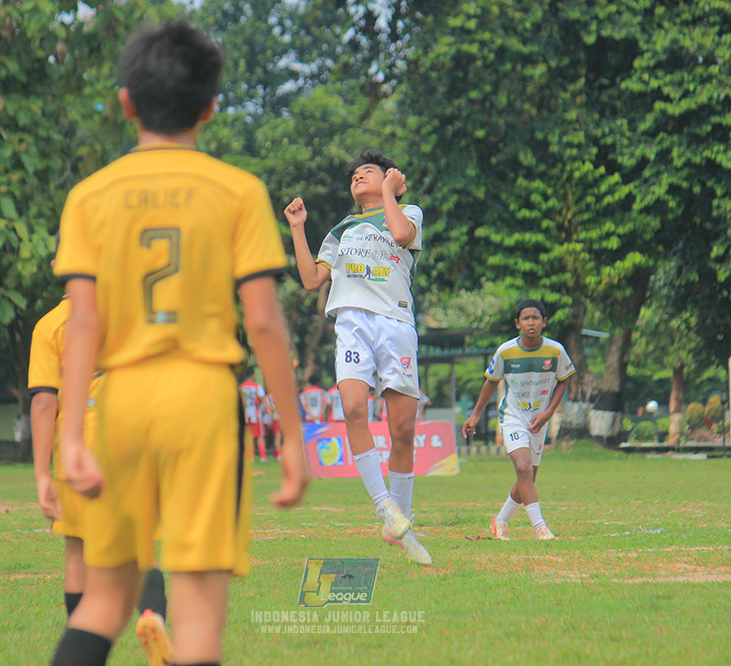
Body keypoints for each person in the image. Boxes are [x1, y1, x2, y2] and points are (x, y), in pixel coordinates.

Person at [50, 18, 308, 666]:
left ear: (126, 103)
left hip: (121, 402)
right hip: (203, 401)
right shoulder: (238, 191)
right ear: (213, 107)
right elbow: (265, 322)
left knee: (103, 601)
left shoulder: (90, 196)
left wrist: (73, 438)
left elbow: (82, 323)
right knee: (194, 622)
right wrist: (295, 436)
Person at [285, 150, 430, 566]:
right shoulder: (343, 229)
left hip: (395, 324)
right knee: (352, 408)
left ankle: (400, 524)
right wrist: (298, 228)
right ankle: (386, 509)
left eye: (367, 172)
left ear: (390, 180)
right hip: (351, 323)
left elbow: (401, 236)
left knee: (402, 431)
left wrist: (390, 192)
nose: (356, 177)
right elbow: (313, 280)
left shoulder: (408, 213)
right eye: (353, 176)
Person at [29, 298, 170, 665]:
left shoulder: (52, 326)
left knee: (76, 551)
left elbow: (44, 402)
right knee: (141, 547)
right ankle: (154, 618)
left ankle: (82, 642)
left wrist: (42, 472)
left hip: (79, 441)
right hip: (129, 435)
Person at [462, 299, 575, 541]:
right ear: (518, 323)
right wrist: (475, 414)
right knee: (523, 468)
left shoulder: (556, 351)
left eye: (535, 318)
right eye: (526, 318)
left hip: (539, 420)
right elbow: (491, 382)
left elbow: (564, 379)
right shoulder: (506, 351)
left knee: (528, 478)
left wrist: (548, 413)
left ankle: (500, 520)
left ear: (544, 322)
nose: (531, 323)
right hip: (513, 417)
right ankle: (540, 528)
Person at [240, 373, 268, 461]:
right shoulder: (257, 387)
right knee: (260, 435)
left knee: (249, 436)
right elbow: (263, 399)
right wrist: (268, 408)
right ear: (252, 375)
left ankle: (251, 457)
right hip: (255, 413)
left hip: (245, 413)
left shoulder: (241, 387)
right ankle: (263, 457)